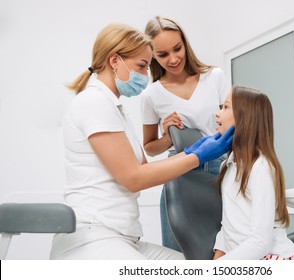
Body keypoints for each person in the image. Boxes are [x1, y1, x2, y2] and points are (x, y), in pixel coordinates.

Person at [49, 23, 233, 260]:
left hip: (122, 238)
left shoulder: (116, 109)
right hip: (93, 238)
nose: (146, 76)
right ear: (115, 60)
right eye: (142, 66)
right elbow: (133, 178)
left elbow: (145, 170)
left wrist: (192, 150)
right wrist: (197, 156)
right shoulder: (93, 103)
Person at [141, 16, 230, 251]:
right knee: (179, 255)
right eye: (162, 54)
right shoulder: (151, 95)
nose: (173, 59)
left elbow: (234, 126)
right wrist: (168, 138)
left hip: (220, 172)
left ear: (185, 43)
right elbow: (149, 147)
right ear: (152, 57)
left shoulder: (215, 77)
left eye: (177, 48)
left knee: (224, 250)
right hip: (179, 175)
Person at [212, 86, 294, 260]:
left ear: (245, 118)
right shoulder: (227, 165)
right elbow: (228, 227)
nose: (218, 113)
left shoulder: (261, 167)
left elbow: (260, 242)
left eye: (225, 107)